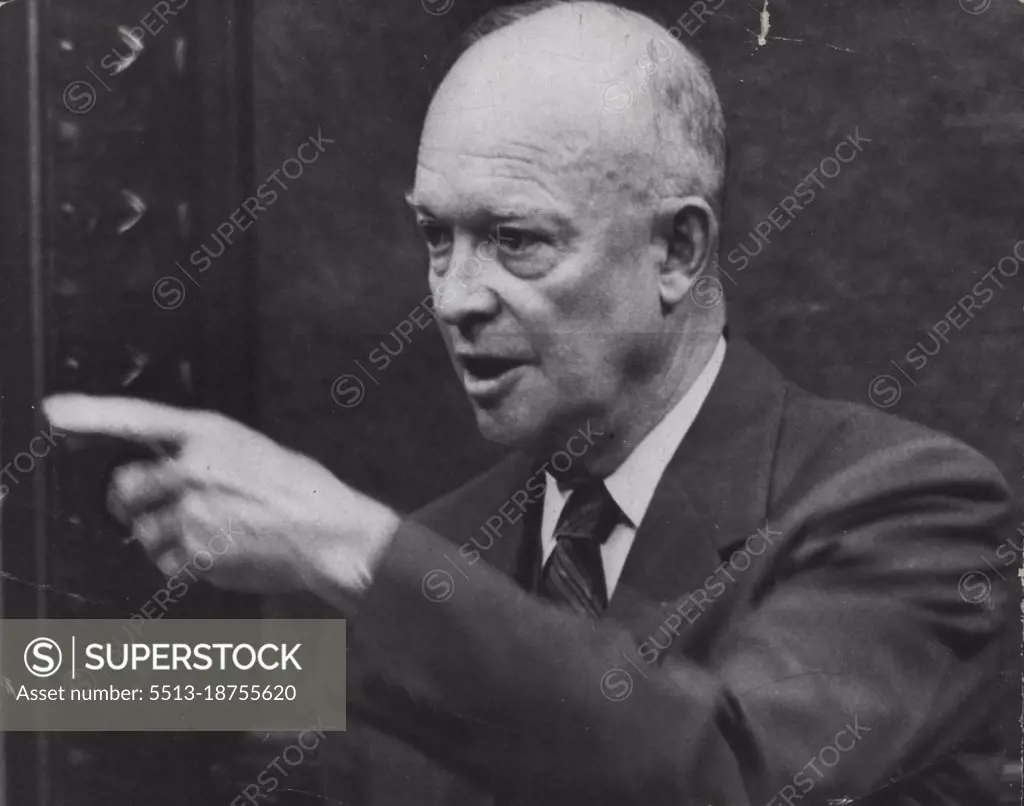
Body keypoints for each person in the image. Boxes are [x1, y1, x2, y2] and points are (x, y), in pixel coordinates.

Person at [43, 2, 1014, 804]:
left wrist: (353, 548)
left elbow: (728, 771)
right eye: (436, 236)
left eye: (516, 240)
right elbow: (223, 693)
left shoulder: (908, 508)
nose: (456, 296)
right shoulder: (433, 551)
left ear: (676, 251)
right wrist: (44, 674)